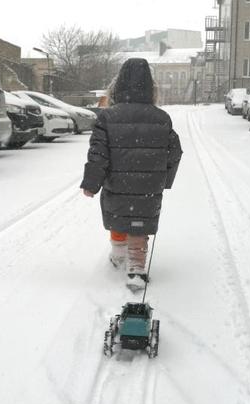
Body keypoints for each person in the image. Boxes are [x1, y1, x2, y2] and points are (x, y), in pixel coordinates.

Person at [80, 58, 182, 285]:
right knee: (139, 222)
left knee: (120, 217)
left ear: (117, 87)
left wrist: (91, 183)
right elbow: (175, 152)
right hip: (148, 185)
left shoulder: (107, 117)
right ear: (150, 88)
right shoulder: (161, 118)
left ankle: (118, 256)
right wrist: (164, 179)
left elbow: (98, 154)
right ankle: (136, 266)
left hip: (117, 183)